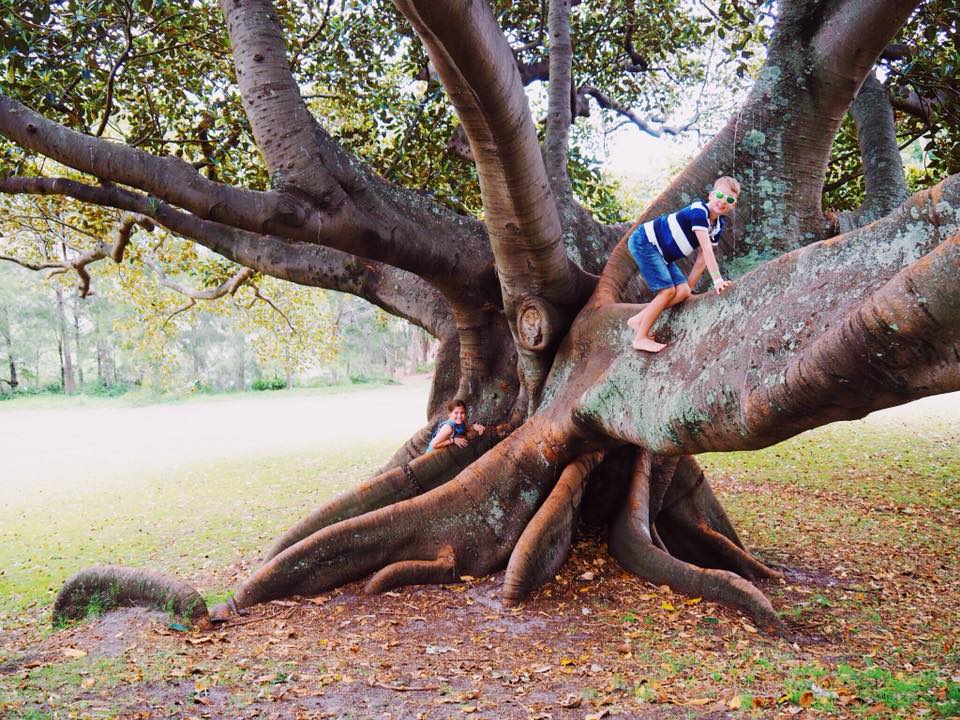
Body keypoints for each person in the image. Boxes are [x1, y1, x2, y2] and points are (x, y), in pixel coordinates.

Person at [626, 176, 739, 352]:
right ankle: (640, 338)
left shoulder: (717, 225)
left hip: (663, 255)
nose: (723, 201)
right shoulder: (699, 211)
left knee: (683, 291)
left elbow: (702, 258)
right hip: (646, 242)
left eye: (730, 199)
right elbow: (707, 249)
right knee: (668, 291)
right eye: (720, 195)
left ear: (733, 205)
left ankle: (639, 319)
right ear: (710, 195)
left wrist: (689, 288)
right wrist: (718, 280)